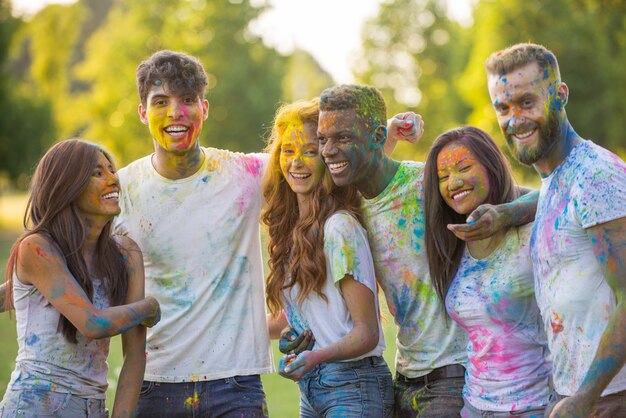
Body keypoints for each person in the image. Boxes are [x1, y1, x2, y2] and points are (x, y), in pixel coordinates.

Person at [115, 50, 415, 417]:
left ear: (204, 109)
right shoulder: (122, 190)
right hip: (156, 379)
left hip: (235, 384)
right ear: (143, 111)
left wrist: (384, 137)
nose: (176, 113)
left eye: (188, 101)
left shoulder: (241, 174)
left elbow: (326, 163)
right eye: (161, 102)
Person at [316, 84, 539, 417]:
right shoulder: (349, 207)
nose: (329, 151)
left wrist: (503, 215)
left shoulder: (428, 184)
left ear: (377, 137)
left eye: (342, 138)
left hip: (453, 374)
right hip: (404, 375)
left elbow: (540, 196)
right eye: (323, 139)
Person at [485, 43, 626, 418]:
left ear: (560, 95)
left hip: (609, 398)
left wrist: (586, 397)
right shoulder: (558, 178)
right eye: (503, 108)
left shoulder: (596, 175)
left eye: (527, 103)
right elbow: (561, 203)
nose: (514, 120)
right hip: (571, 392)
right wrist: (506, 213)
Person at [0, 139, 161, 418]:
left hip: (92, 408)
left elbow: (135, 355)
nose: (113, 179)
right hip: (34, 406)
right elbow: (92, 323)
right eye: (98, 173)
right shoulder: (37, 248)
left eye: (111, 170)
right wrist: (149, 307)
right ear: (67, 187)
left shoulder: (125, 255)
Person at [263, 98, 394, 417]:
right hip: (313, 388)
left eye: (309, 151)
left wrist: (316, 356)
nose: (296, 163)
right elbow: (317, 317)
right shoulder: (293, 232)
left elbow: (366, 334)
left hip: (353, 388)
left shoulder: (339, 228)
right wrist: (292, 333)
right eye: (288, 151)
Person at [424, 126, 551, 417]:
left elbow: (562, 190)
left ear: (492, 166)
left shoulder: (532, 232)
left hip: (533, 404)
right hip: (474, 406)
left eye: (464, 168)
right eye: (443, 177)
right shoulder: (454, 243)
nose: (453, 182)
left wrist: (507, 214)